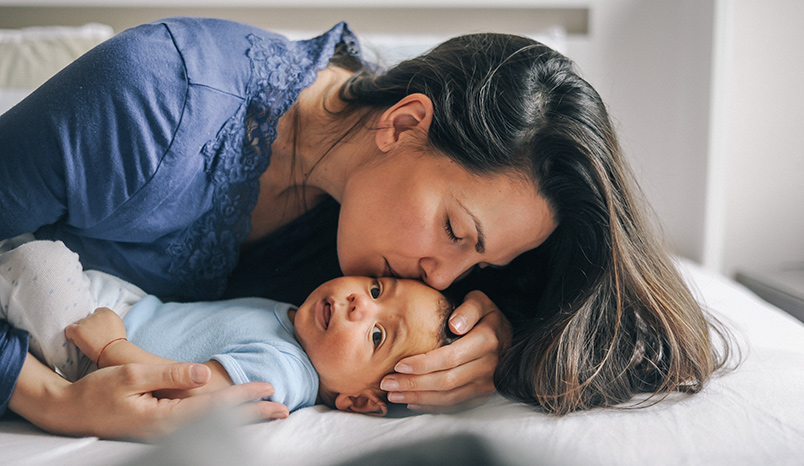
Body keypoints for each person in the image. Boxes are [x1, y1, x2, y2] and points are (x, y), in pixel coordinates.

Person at [0, 16, 729, 436]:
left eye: (477, 265)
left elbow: (625, 341)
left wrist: (500, 335)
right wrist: (48, 397)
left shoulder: (375, 253)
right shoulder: (151, 103)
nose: (437, 277)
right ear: (404, 122)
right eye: (454, 230)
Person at [1, 238, 458, 418]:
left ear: (359, 400)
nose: (362, 303)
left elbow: (194, 393)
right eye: (378, 289)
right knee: (30, 255)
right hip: (120, 314)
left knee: (37, 264)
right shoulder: (294, 322)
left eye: (377, 336)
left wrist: (111, 348)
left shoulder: (288, 370)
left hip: (94, 360)